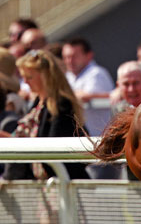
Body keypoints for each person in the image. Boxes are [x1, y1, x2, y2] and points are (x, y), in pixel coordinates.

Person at [0, 49, 89, 180]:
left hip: (64, 181)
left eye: (29, 77)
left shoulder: (61, 104)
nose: (25, 82)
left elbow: (52, 145)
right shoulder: (39, 102)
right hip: (47, 181)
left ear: (45, 76)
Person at [62, 37, 115, 103]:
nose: (69, 61)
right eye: (66, 57)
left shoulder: (96, 73)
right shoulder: (68, 75)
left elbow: (85, 97)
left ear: (89, 56)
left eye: (74, 56)